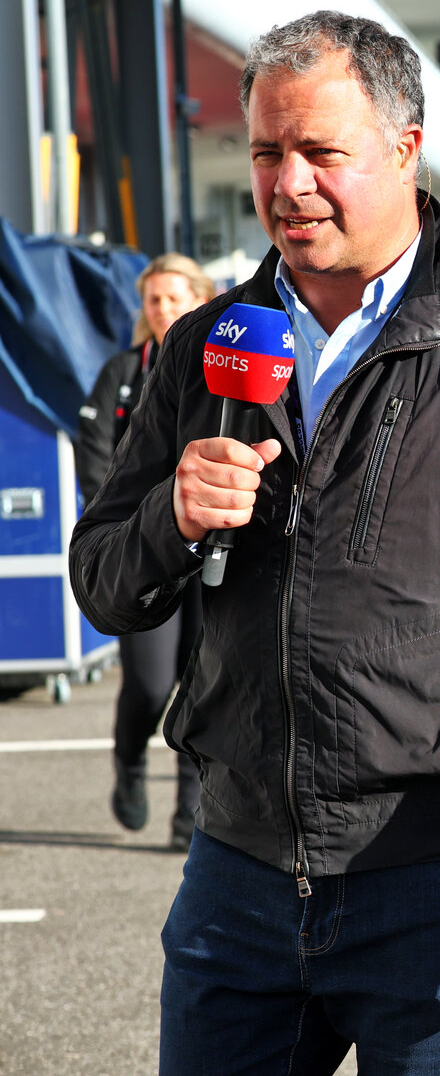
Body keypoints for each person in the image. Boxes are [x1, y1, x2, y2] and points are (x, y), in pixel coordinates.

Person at [68, 12, 440, 1075]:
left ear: (407, 148)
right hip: (237, 876)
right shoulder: (204, 347)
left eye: (320, 152)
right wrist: (170, 516)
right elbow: (103, 581)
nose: (288, 184)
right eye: (266, 152)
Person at [75, 253, 214, 850]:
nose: (163, 309)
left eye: (175, 298)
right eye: (154, 299)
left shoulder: (225, 366)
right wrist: (130, 530)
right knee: (152, 686)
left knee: (202, 684)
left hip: (212, 551)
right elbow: (96, 465)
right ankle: (129, 760)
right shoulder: (122, 373)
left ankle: (190, 817)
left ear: (201, 299)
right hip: (143, 554)